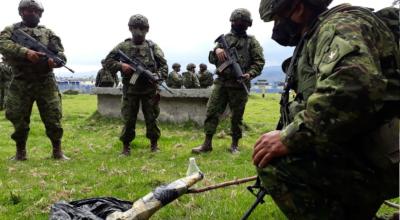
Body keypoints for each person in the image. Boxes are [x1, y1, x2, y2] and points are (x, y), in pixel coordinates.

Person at [254, 0, 399, 219]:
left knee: (278, 164)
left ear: (299, 9)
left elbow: (354, 85)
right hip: (378, 147)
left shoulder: (337, 27)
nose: (276, 27)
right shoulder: (319, 33)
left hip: (387, 155)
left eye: (276, 19)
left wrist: (289, 138)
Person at [0, 0, 70, 160]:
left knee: (53, 117)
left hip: (45, 81)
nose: (32, 13)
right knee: (18, 118)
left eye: (35, 10)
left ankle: (57, 151)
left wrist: (56, 61)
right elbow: (2, 43)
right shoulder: (11, 30)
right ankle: (20, 152)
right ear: (20, 12)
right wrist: (25, 52)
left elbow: (60, 53)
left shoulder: (48, 33)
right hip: (21, 81)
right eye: (27, 10)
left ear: (40, 13)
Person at [192, 8, 265, 154]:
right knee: (212, 111)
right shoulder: (225, 39)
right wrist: (216, 51)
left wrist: (249, 74)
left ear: (247, 24)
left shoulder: (252, 42)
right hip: (222, 83)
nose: (237, 24)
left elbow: (259, 62)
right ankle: (207, 143)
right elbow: (213, 60)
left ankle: (234, 144)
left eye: (241, 22)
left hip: (239, 84)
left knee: (236, 117)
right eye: (235, 22)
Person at [104, 14, 168, 155]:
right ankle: (126, 147)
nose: (138, 31)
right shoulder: (123, 46)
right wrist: (121, 66)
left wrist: (158, 76)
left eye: (142, 28)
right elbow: (107, 61)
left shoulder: (152, 47)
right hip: (130, 90)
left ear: (147, 29)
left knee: (151, 118)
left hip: (149, 90)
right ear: (130, 28)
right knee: (128, 119)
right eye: (135, 28)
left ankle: (154, 144)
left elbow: (164, 66)